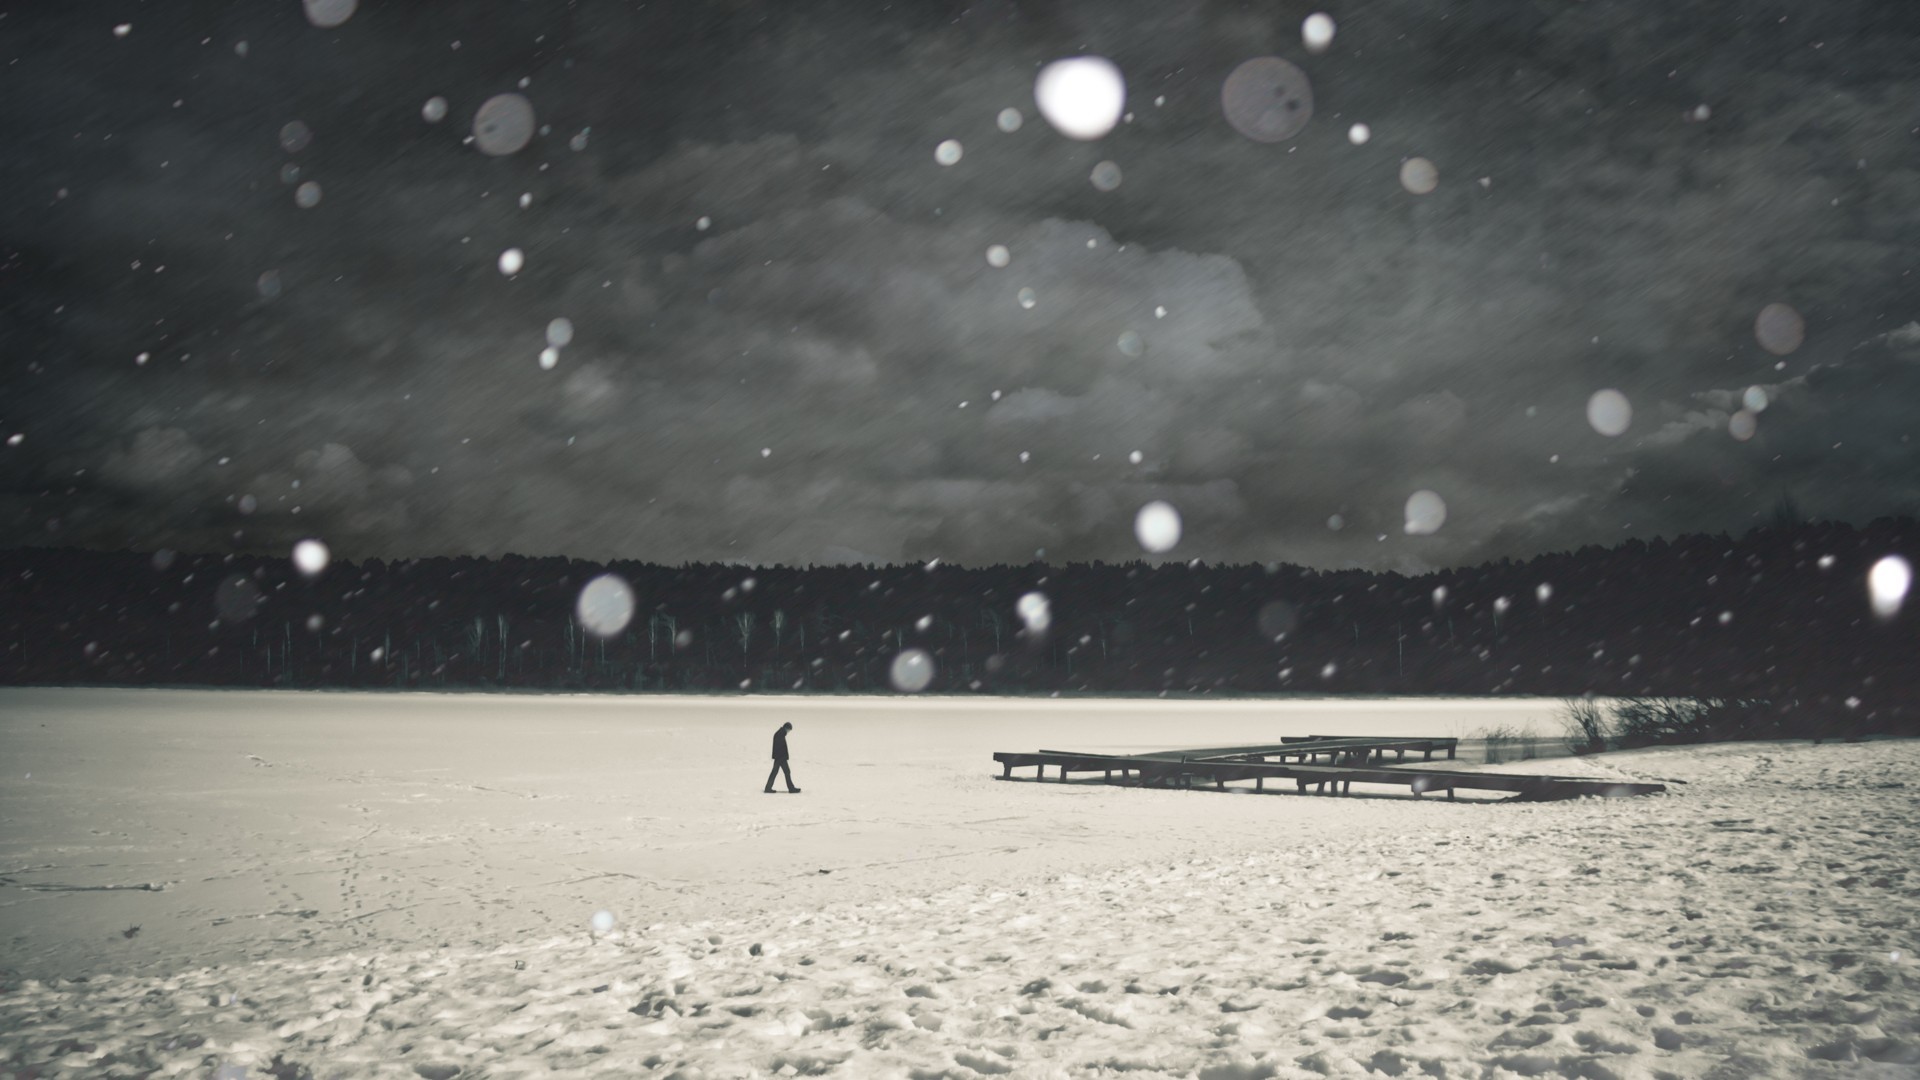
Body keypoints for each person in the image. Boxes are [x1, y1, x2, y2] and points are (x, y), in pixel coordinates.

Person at [764, 721, 800, 793]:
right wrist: (782, 757)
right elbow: (779, 747)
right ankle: (791, 789)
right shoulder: (780, 734)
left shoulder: (780, 733)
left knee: (775, 772)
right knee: (786, 772)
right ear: (786, 728)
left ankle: (768, 788)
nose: (789, 732)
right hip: (780, 757)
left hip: (779, 757)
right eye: (789, 730)